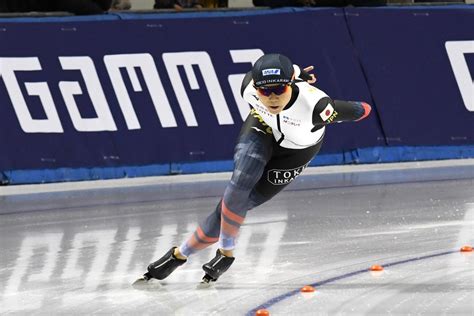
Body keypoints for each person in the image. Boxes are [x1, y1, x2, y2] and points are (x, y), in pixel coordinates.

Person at [138, 53, 372, 284]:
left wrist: (351, 110)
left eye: (279, 89)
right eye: (264, 91)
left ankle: (179, 255)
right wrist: (297, 72)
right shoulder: (248, 87)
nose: (271, 97)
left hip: (296, 151)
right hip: (262, 126)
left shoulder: (316, 107)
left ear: (290, 84)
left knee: (232, 209)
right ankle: (226, 254)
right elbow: (269, 77)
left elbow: (361, 110)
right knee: (240, 182)